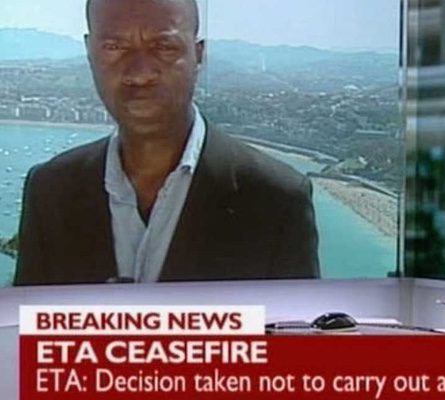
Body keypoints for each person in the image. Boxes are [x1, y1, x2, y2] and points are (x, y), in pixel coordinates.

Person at [14, 0, 319, 285]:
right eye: (115, 47)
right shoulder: (50, 190)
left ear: (198, 55)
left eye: (163, 46)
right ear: (89, 52)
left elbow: (297, 326)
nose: (140, 74)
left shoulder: (276, 200)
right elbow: (27, 323)